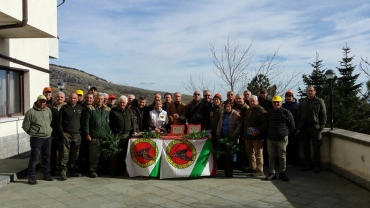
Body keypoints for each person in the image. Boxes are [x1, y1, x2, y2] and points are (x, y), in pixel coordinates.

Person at [22, 95, 54, 184]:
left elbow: (49, 121)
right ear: (37, 101)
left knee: (46, 156)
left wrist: (47, 130)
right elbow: (25, 126)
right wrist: (33, 133)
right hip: (36, 138)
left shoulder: (48, 110)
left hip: (47, 137)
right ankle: (31, 176)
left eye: (44, 101)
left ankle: (46, 173)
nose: (42, 103)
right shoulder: (30, 112)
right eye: (41, 101)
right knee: (34, 157)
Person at [297, 86, 327, 173]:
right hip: (304, 128)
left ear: (315, 92)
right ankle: (307, 164)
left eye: (311, 91)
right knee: (305, 148)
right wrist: (299, 125)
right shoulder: (302, 101)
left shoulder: (319, 101)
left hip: (315, 128)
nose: (310, 92)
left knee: (316, 148)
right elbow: (298, 114)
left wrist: (321, 127)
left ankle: (316, 166)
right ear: (306, 92)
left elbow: (324, 115)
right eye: (308, 91)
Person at [265, 95, 295, 181]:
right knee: (271, 156)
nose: (276, 104)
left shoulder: (287, 113)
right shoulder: (269, 112)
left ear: (281, 103)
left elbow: (292, 126)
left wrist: (285, 133)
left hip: (282, 139)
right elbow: (266, 124)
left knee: (282, 157)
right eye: (274, 102)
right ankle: (272, 172)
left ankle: (282, 173)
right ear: (272, 103)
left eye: (278, 102)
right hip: (270, 138)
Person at [58, 92, 84, 180]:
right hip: (66, 134)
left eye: (74, 98)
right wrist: (62, 134)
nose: (72, 100)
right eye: (71, 98)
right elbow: (59, 123)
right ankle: (63, 171)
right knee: (65, 154)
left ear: (77, 99)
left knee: (75, 154)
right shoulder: (64, 108)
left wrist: (81, 133)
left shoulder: (80, 108)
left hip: (77, 135)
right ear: (69, 98)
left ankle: (72, 170)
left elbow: (83, 122)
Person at [84, 93, 111, 178]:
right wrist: (87, 133)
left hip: (105, 136)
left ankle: (102, 169)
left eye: (102, 99)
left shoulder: (108, 109)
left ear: (104, 100)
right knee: (94, 155)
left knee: (104, 154)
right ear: (95, 99)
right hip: (94, 135)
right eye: (98, 99)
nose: (100, 100)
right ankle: (93, 170)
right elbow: (86, 122)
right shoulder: (90, 109)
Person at [109, 95, 136, 176]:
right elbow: (111, 123)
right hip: (117, 135)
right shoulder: (114, 111)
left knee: (126, 153)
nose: (122, 104)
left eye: (124, 102)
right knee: (116, 153)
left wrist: (134, 131)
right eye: (120, 102)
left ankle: (125, 169)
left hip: (127, 135)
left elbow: (133, 122)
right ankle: (115, 170)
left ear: (126, 103)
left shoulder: (129, 111)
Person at [243, 95, 268, 177]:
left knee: (258, 153)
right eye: (250, 101)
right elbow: (246, 123)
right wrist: (244, 135)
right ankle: (252, 167)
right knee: (250, 153)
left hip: (257, 136)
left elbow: (265, 124)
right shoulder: (248, 110)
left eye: (254, 101)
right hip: (248, 136)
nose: (252, 103)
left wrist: (258, 131)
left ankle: (260, 170)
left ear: (257, 101)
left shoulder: (261, 111)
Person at [50, 91, 66, 176]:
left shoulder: (67, 107)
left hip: (63, 134)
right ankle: (52, 169)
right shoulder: (50, 107)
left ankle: (61, 169)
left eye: (61, 97)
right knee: (52, 152)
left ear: (64, 98)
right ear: (55, 98)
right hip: (52, 133)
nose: (59, 98)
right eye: (58, 97)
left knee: (62, 152)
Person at [78, 92, 95, 174]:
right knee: (82, 152)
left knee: (91, 152)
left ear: (93, 99)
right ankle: (81, 169)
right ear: (85, 98)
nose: (89, 99)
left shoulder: (95, 108)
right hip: (82, 133)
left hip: (92, 133)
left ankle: (90, 169)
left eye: (90, 98)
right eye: (87, 97)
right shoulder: (80, 107)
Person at [282, 90, 299, 166]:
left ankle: (293, 161)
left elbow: (299, 117)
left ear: (293, 97)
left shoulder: (297, 105)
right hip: (285, 129)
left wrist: (297, 127)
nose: (289, 98)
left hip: (294, 129)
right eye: (287, 96)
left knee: (293, 146)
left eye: (290, 96)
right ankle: (286, 161)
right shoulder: (283, 105)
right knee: (285, 146)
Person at [258, 88, 273, 164]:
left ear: (266, 94)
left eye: (264, 93)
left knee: (267, 145)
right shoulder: (258, 101)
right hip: (259, 125)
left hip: (268, 125)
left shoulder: (270, 102)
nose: (262, 94)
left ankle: (267, 161)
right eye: (261, 93)